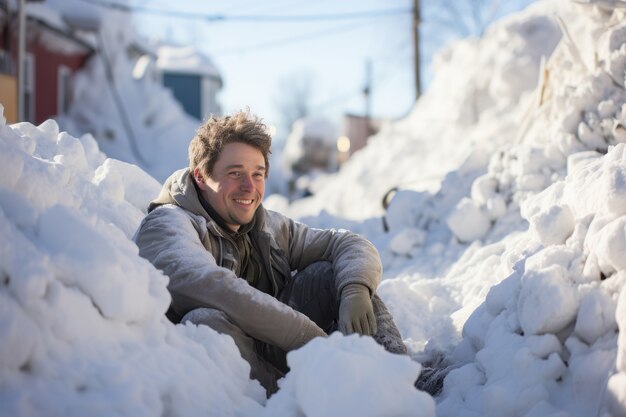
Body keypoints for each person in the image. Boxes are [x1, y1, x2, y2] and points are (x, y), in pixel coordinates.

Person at [133, 110, 407, 395]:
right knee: (204, 321)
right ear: (201, 176)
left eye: (258, 174)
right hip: (233, 374)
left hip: (273, 347)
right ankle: (292, 402)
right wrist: (312, 340)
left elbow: (347, 243)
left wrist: (355, 290)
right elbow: (211, 286)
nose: (249, 187)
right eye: (235, 173)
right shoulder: (167, 223)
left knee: (334, 273)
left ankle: (401, 379)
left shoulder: (265, 226)